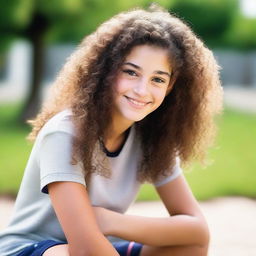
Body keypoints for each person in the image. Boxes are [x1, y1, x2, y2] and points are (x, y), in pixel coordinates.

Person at [0, 4, 222, 256]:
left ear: (170, 88)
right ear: (105, 71)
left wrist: (108, 220)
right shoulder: (65, 132)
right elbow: (85, 250)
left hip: (97, 248)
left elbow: (197, 231)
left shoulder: (151, 138)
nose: (141, 90)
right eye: (130, 72)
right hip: (32, 249)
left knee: (188, 245)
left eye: (157, 79)